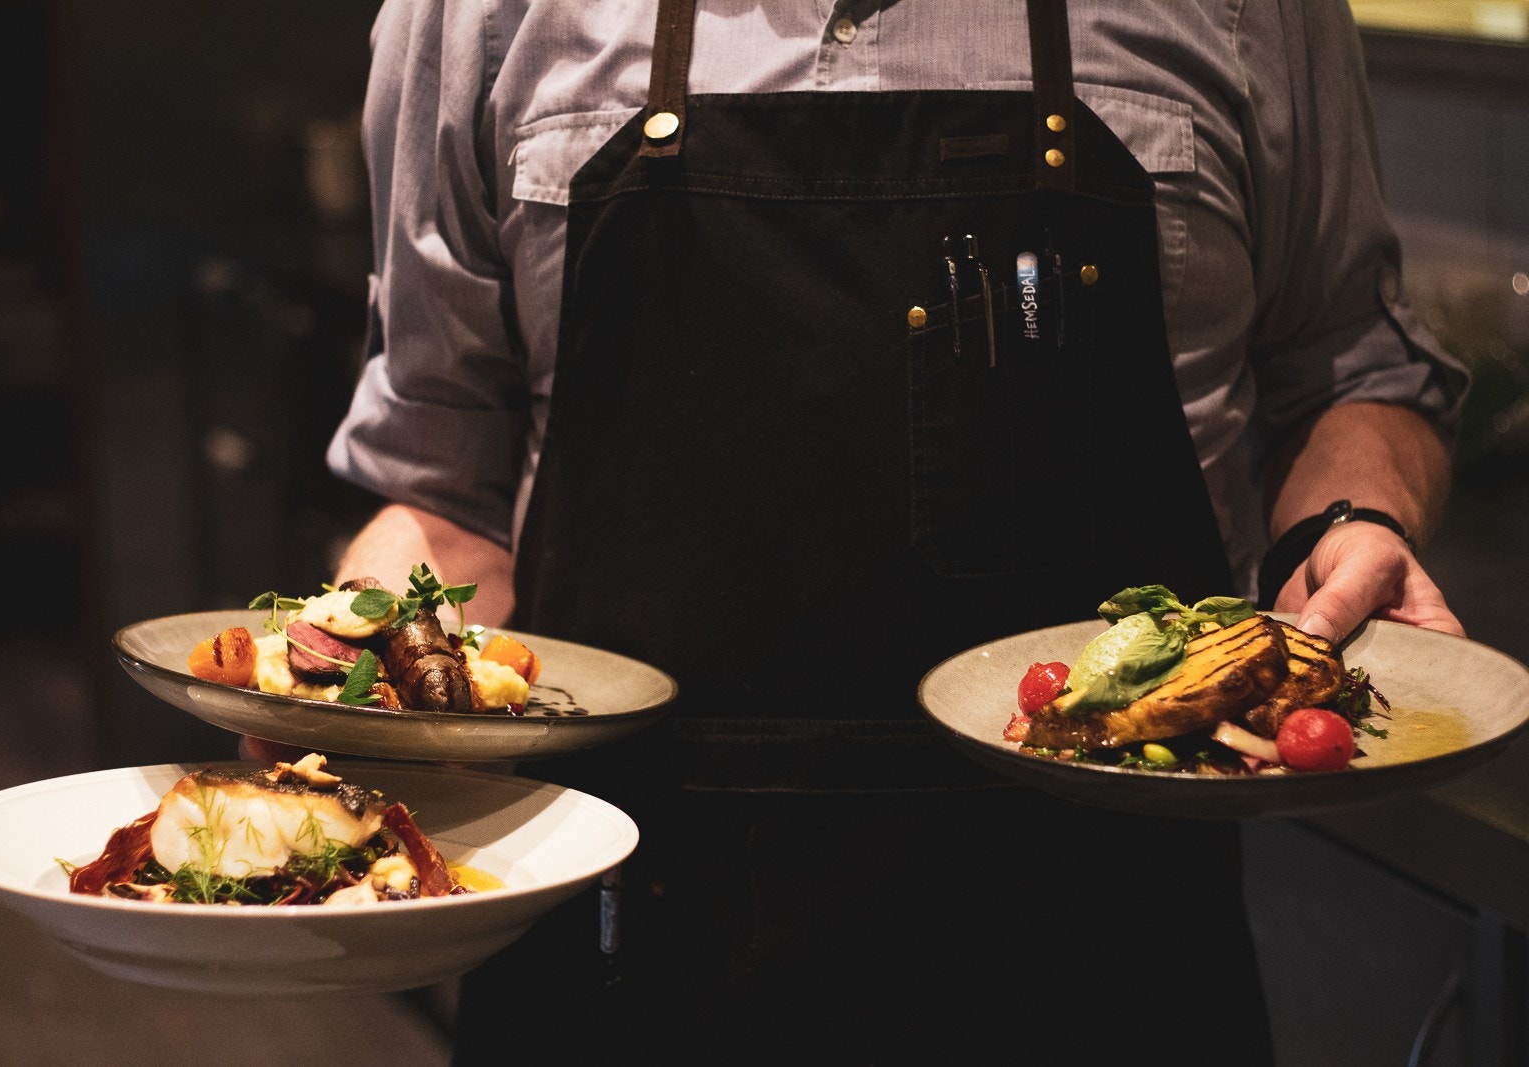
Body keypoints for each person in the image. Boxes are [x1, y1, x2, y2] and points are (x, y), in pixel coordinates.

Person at [278, 0, 1472, 1061]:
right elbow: (442, 490)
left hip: (1099, 953)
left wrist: (1353, 511)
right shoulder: (473, 15)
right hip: (623, 952)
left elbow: (1348, 367)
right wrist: (343, 685)